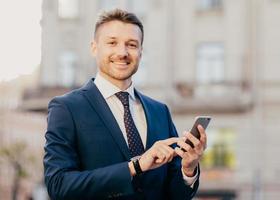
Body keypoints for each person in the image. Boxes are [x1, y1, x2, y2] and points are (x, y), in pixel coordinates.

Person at [44, 9, 207, 200]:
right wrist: (135, 166)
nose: (122, 53)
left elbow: (174, 194)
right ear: (94, 47)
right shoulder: (67, 108)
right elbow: (58, 185)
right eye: (112, 43)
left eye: (131, 44)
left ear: (140, 52)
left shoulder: (159, 111)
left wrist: (188, 169)